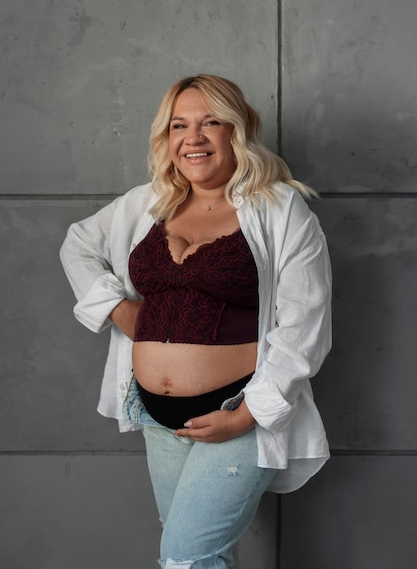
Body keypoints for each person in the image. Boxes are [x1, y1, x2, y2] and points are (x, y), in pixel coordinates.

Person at [60, 74, 332, 569]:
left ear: (239, 129)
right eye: (178, 125)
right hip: (155, 416)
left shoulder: (279, 209)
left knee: (188, 559)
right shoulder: (148, 203)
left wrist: (248, 415)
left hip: (237, 410)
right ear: (166, 138)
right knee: (192, 552)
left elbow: (305, 325)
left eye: (211, 122)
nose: (193, 137)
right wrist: (121, 312)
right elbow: (78, 244)